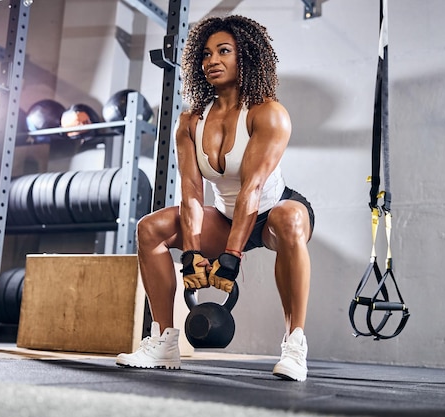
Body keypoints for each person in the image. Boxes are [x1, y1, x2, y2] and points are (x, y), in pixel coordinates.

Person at [115, 15, 315, 382]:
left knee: (290, 219)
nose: (212, 61)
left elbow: (253, 189)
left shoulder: (269, 113)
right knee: (150, 228)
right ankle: (164, 340)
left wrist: (231, 257)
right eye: (206, 54)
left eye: (224, 51)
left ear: (246, 57)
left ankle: (295, 343)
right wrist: (191, 254)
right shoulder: (191, 121)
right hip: (224, 217)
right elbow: (192, 193)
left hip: (271, 213)